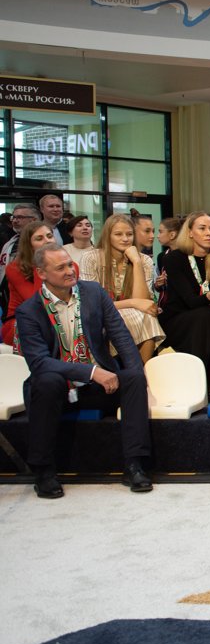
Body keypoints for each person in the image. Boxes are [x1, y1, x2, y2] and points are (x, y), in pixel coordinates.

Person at [14, 244, 153, 499]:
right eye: (61, 268)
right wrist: (90, 372)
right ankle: (44, 471)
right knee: (46, 381)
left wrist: (139, 374)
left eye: (70, 264)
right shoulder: (29, 311)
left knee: (133, 378)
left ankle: (135, 465)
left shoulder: (93, 293)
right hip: (58, 391)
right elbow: (39, 362)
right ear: (42, 273)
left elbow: (121, 336)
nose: (70, 271)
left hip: (98, 386)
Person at [159, 211, 210, 400]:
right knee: (202, 316)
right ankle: (198, 384)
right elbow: (189, 300)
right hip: (180, 315)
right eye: (202, 228)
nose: (209, 233)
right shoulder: (173, 259)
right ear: (190, 232)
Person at [80, 214, 165, 364]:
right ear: (108, 236)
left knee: (148, 316)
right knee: (143, 317)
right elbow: (92, 305)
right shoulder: (91, 258)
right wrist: (132, 303)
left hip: (134, 315)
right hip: (100, 315)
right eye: (118, 234)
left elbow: (143, 301)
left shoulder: (144, 260)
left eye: (129, 234)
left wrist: (136, 262)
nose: (125, 239)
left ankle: (142, 372)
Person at [3, 222, 62, 346]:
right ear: (29, 245)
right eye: (39, 239)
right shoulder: (14, 268)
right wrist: (42, 264)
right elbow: (37, 301)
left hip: (59, 317)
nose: (47, 241)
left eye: (49, 236)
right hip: (22, 321)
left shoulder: (69, 265)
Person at [0, 204, 40, 294]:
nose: (14, 221)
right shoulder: (10, 243)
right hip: (8, 293)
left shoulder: (42, 243)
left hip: (32, 292)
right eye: (13, 217)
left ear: (34, 220)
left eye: (20, 217)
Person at [154, 216, 182, 294]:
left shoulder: (187, 256)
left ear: (172, 235)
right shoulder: (161, 257)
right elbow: (158, 288)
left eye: (160, 232)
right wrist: (158, 284)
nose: (158, 236)